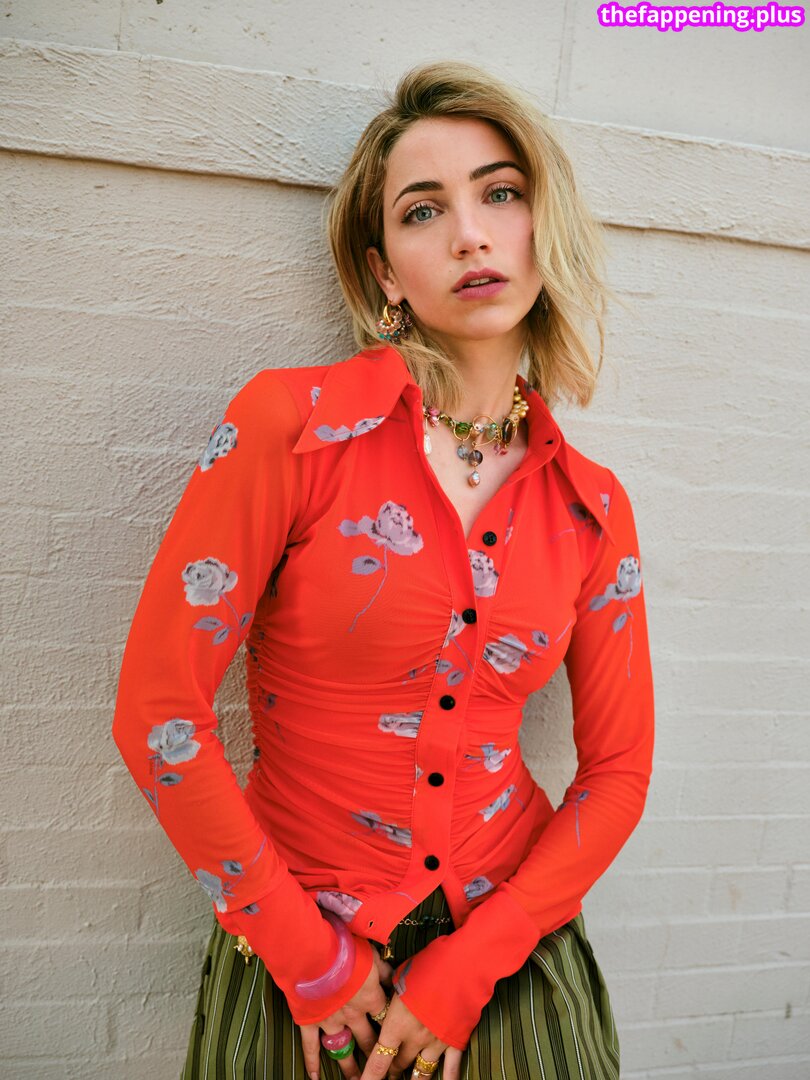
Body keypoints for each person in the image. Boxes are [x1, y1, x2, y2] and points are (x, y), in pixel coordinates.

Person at [112, 58, 654, 1080]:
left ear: (545, 227)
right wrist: (308, 957)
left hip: (510, 960)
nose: (470, 235)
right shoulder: (292, 430)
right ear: (383, 274)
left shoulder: (593, 509)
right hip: (300, 959)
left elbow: (619, 771)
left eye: (502, 193)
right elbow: (159, 712)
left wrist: (476, 964)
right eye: (423, 211)